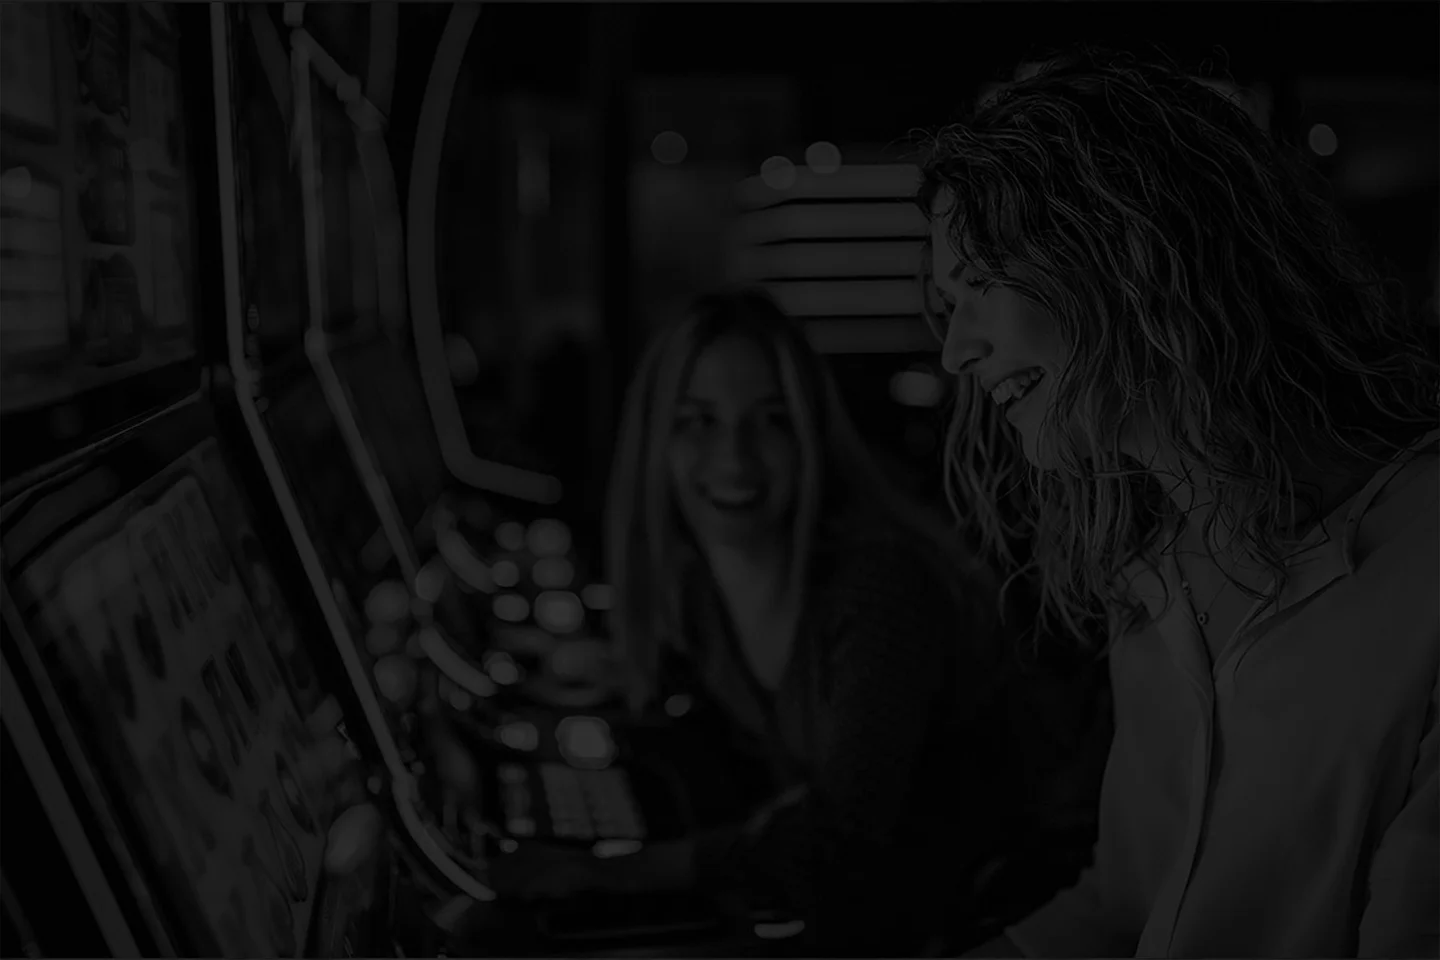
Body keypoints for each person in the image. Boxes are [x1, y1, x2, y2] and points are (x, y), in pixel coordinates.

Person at [918, 47, 1439, 958]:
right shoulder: (1150, 580)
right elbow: (1129, 904)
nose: (957, 350)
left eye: (982, 284)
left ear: (1128, 253)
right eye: (945, 303)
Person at [491, 290, 1014, 954]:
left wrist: (614, 870)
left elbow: (844, 835)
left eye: (770, 421)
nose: (734, 459)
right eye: (697, 422)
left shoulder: (879, 584)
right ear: (657, 440)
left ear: (811, 433)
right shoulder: (698, 590)